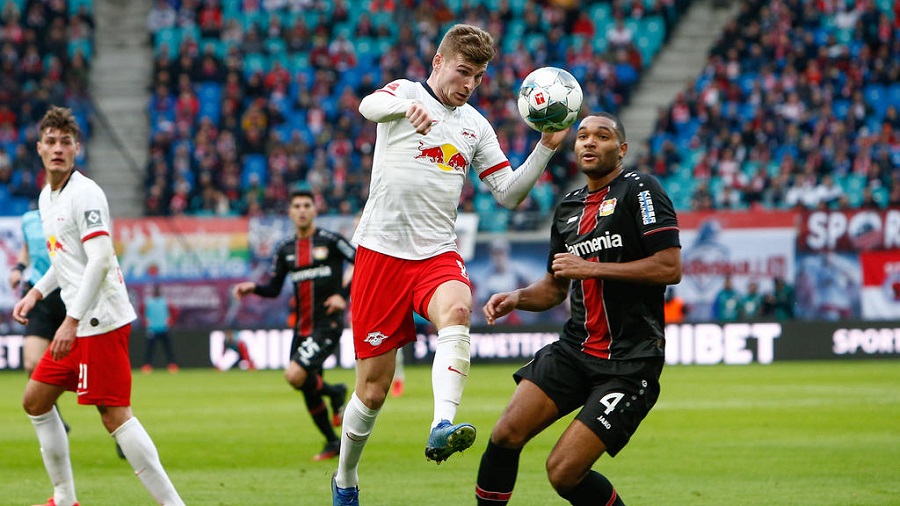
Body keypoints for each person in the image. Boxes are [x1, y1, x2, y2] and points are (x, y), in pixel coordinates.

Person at [332, 23, 569, 505]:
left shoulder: (475, 126)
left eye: (478, 77)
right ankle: (345, 479)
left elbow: (508, 194)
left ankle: (442, 423)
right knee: (372, 392)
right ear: (438, 62)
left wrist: (544, 147)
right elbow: (367, 106)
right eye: (463, 71)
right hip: (380, 254)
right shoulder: (403, 93)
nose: (469, 84)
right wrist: (406, 107)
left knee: (458, 309)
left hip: (436, 253)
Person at [474, 113, 682, 505]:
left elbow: (669, 268)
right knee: (505, 434)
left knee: (563, 472)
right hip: (574, 349)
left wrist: (591, 268)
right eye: (583, 135)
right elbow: (554, 289)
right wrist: (517, 298)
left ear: (621, 149)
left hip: (630, 362)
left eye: (602, 136)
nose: (589, 142)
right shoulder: (568, 208)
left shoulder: (641, 189)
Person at [13, 106, 185, 506]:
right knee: (35, 400)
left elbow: (101, 259)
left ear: (77, 148)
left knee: (114, 415)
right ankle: (64, 497)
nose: (58, 148)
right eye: (51, 142)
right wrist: (37, 292)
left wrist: (70, 321)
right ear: (39, 148)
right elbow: (65, 260)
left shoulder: (85, 194)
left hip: (100, 320)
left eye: (66, 142)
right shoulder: (46, 198)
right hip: (79, 321)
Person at [232, 189, 353, 462]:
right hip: (302, 328)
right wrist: (253, 288)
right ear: (290, 212)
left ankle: (336, 392)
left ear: (314, 210)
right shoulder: (285, 249)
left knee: (295, 375)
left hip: (328, 324)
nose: (301, 210)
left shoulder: (331, 240)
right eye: (296, 206)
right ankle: (332, 440)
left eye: (306, 205)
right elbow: (274, 288)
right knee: (307, 387)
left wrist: (342, 295)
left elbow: (364, 262)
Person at [140, 284, 180, 374]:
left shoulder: (165, 302)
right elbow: (141, 312)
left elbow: (175, 311)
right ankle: (147, 366)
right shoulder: (148, 302)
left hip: (164, 328)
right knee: (150, 350)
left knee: (168, 349)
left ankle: (172, 365)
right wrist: (145, 321)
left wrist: (171, 321)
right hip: (152, 329)